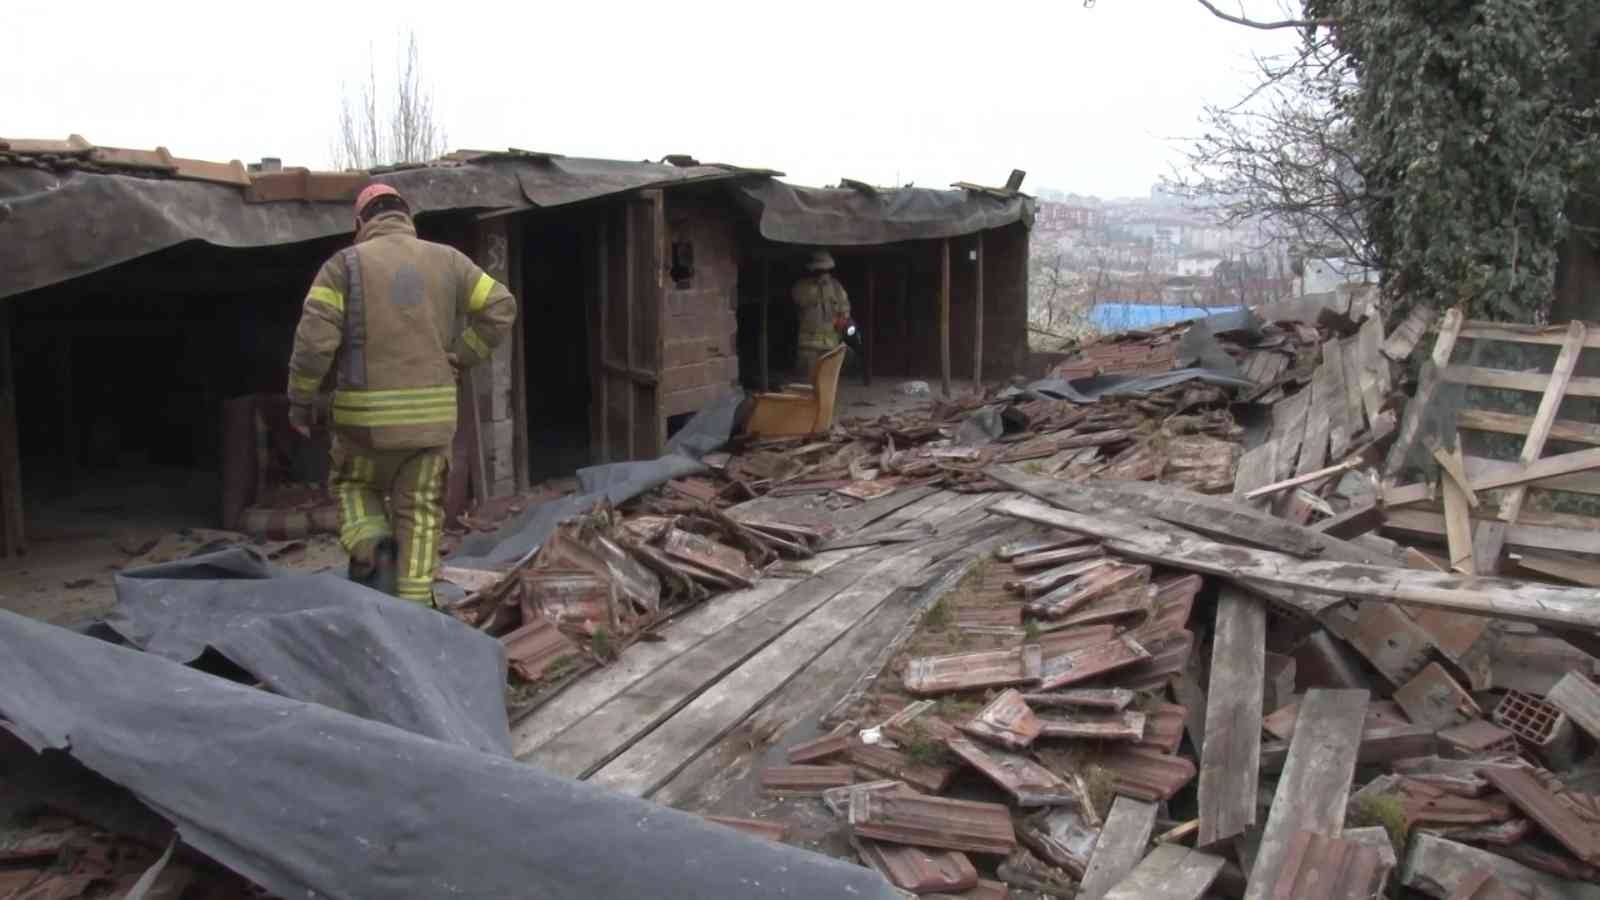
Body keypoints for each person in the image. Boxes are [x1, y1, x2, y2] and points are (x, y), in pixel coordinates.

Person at [286, 184, 517, 605]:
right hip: (430, 425)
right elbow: (501, 307)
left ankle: (372, 544)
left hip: (362, 426)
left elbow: (314, 343)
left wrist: (301, 401)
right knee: (421, 513)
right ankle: (414, 610)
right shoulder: (449, 261)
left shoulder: (343, 266)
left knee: (354, 485)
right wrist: (462, 356)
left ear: (360, 223)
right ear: (407, 218)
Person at [790, 249, 850, 378]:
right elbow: (800, 299)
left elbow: (844, 312)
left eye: (825, 270)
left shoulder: (836, 287)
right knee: (808, 386)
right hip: (808, 349)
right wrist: (817, 286)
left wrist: (843, 327)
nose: (823, 273)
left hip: (831, 347)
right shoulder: (802, 286)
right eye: (819, 270)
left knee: (828, 386)